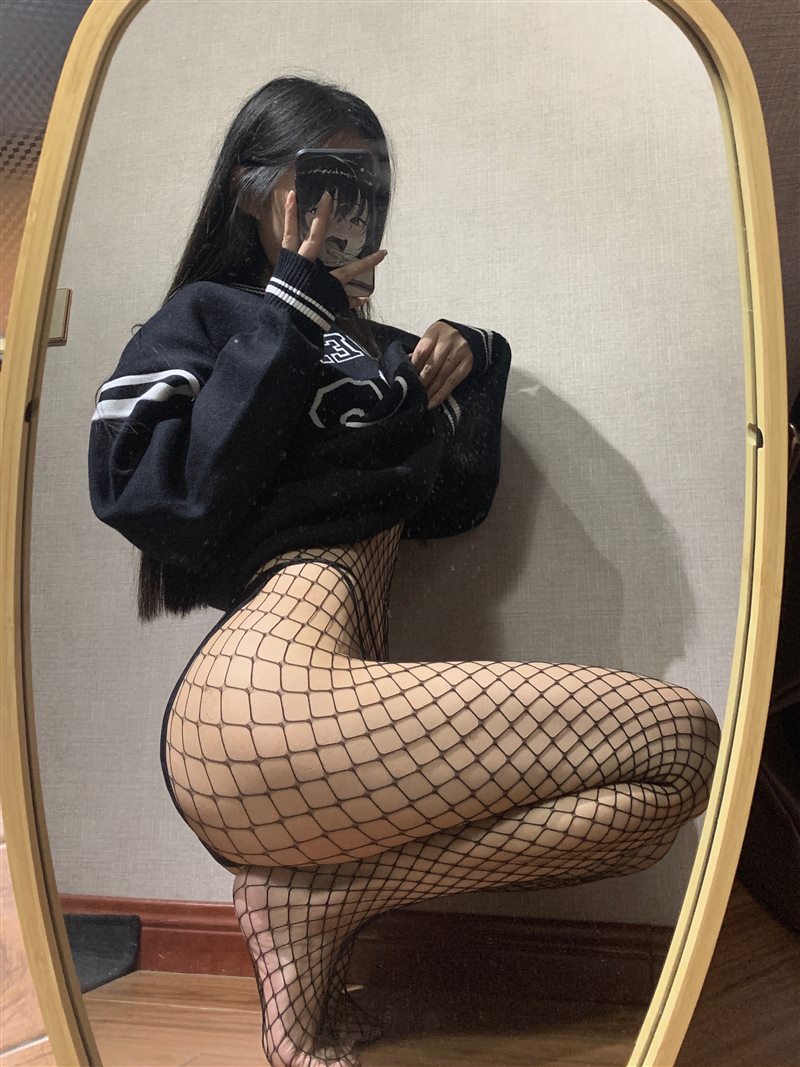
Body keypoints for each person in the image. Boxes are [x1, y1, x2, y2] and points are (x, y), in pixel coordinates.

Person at [88, 76, 720, 1067]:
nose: (348, 202)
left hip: (338, 688)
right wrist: (294, 303)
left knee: (667, 783)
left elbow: (448, 506)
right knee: (681, 734)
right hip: (255, 695)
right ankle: (313, 912)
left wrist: (477, 360)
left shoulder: (377, 350)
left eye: (368, 181)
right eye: (324, 176)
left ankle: (318, 906)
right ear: (251, 185)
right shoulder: (207, 316)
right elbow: (164, 500)